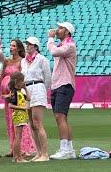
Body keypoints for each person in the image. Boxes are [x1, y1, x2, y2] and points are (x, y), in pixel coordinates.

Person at [0, 39, 36, 158]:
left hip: (16, 95)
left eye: (14, 46)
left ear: (19, 48)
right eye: (10, 45)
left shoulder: (22, 62)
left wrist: (14, 93)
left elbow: (21, 79)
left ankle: (23, 148)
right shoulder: (6, 61)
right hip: (7, 96)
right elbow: (2, 75)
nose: (11, 48)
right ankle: (13, 148)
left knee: (18, 121)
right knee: (9, 122)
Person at [47, 22, 77, 160]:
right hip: (59, 84)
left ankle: (64, 149)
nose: (57, 30)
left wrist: (50, 39)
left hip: (64, 84)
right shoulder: (64, 45)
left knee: (60, 116)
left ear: (67, 31)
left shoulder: (69, 46)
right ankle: (69, 149)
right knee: (62, 117)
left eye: (60, 28)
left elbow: (53, 52)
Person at [21, 36, 51, 162]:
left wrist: (43, 90)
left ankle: (45, 153)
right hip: (27, 89)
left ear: (36, 47)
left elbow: (48, 78)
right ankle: (39, 153)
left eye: (30, 44)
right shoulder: (23, 61)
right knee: (32, 124)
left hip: (37, 87)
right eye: (27, 44)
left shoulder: (42, 60)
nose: (27, 46)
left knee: (37, 123)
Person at [7, 72, 30, 163]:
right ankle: (18, 157)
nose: (23, 83)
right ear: (17, 82)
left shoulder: (21, 92)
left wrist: (25, 89)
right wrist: (22, 108)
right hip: (18, 115)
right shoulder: (14, 93)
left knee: (19, 136)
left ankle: (16, 157)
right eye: (22, 81)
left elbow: (28, 98)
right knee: (18, 137)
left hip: (22, 115)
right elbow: (10, 105)